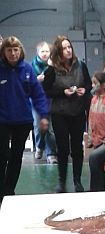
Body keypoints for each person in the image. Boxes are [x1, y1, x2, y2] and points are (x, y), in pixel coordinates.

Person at [0, 36, 49, 203]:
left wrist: (43, 115)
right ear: (4, 52)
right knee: (2, 155)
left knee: (16, 156)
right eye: (9, 50)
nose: (13, 53)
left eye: (15, 50)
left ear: (20, 51)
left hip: (22, 121)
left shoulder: (27, 69)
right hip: (3, 121)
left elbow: (38, 95)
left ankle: (8, 190)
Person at [43, 35, 91, 193]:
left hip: (78, 112)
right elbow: (47, 90)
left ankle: (77, 181)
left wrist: (84, 90)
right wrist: (63, 92)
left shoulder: (81, 65)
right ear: (59, 51)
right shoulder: (52, 69)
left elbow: (89, 84)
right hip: (60, 113)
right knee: (62, 148)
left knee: (77, 148)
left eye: (69, 47)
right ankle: (61, 181)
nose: (68, 50)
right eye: (64, 48)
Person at [87, 72, 105, 191]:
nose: (93, 85)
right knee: (97, 165)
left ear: (103, 85)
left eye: (95, 83)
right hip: (96, 138)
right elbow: (90, 119)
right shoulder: (94, 100)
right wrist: (90, 137)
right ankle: (98, 188)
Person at [31, 41, 58, 163]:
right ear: (38, 53)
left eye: (47, 51)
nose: (45, 54)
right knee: (39, 127)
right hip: (36, 101)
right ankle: (39, 146)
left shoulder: (53, 66)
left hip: (50, 100)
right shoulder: (32, 66)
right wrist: (37, 80)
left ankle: (51, 153)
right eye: (42, 51)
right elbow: (27, 85)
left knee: (50, 129)